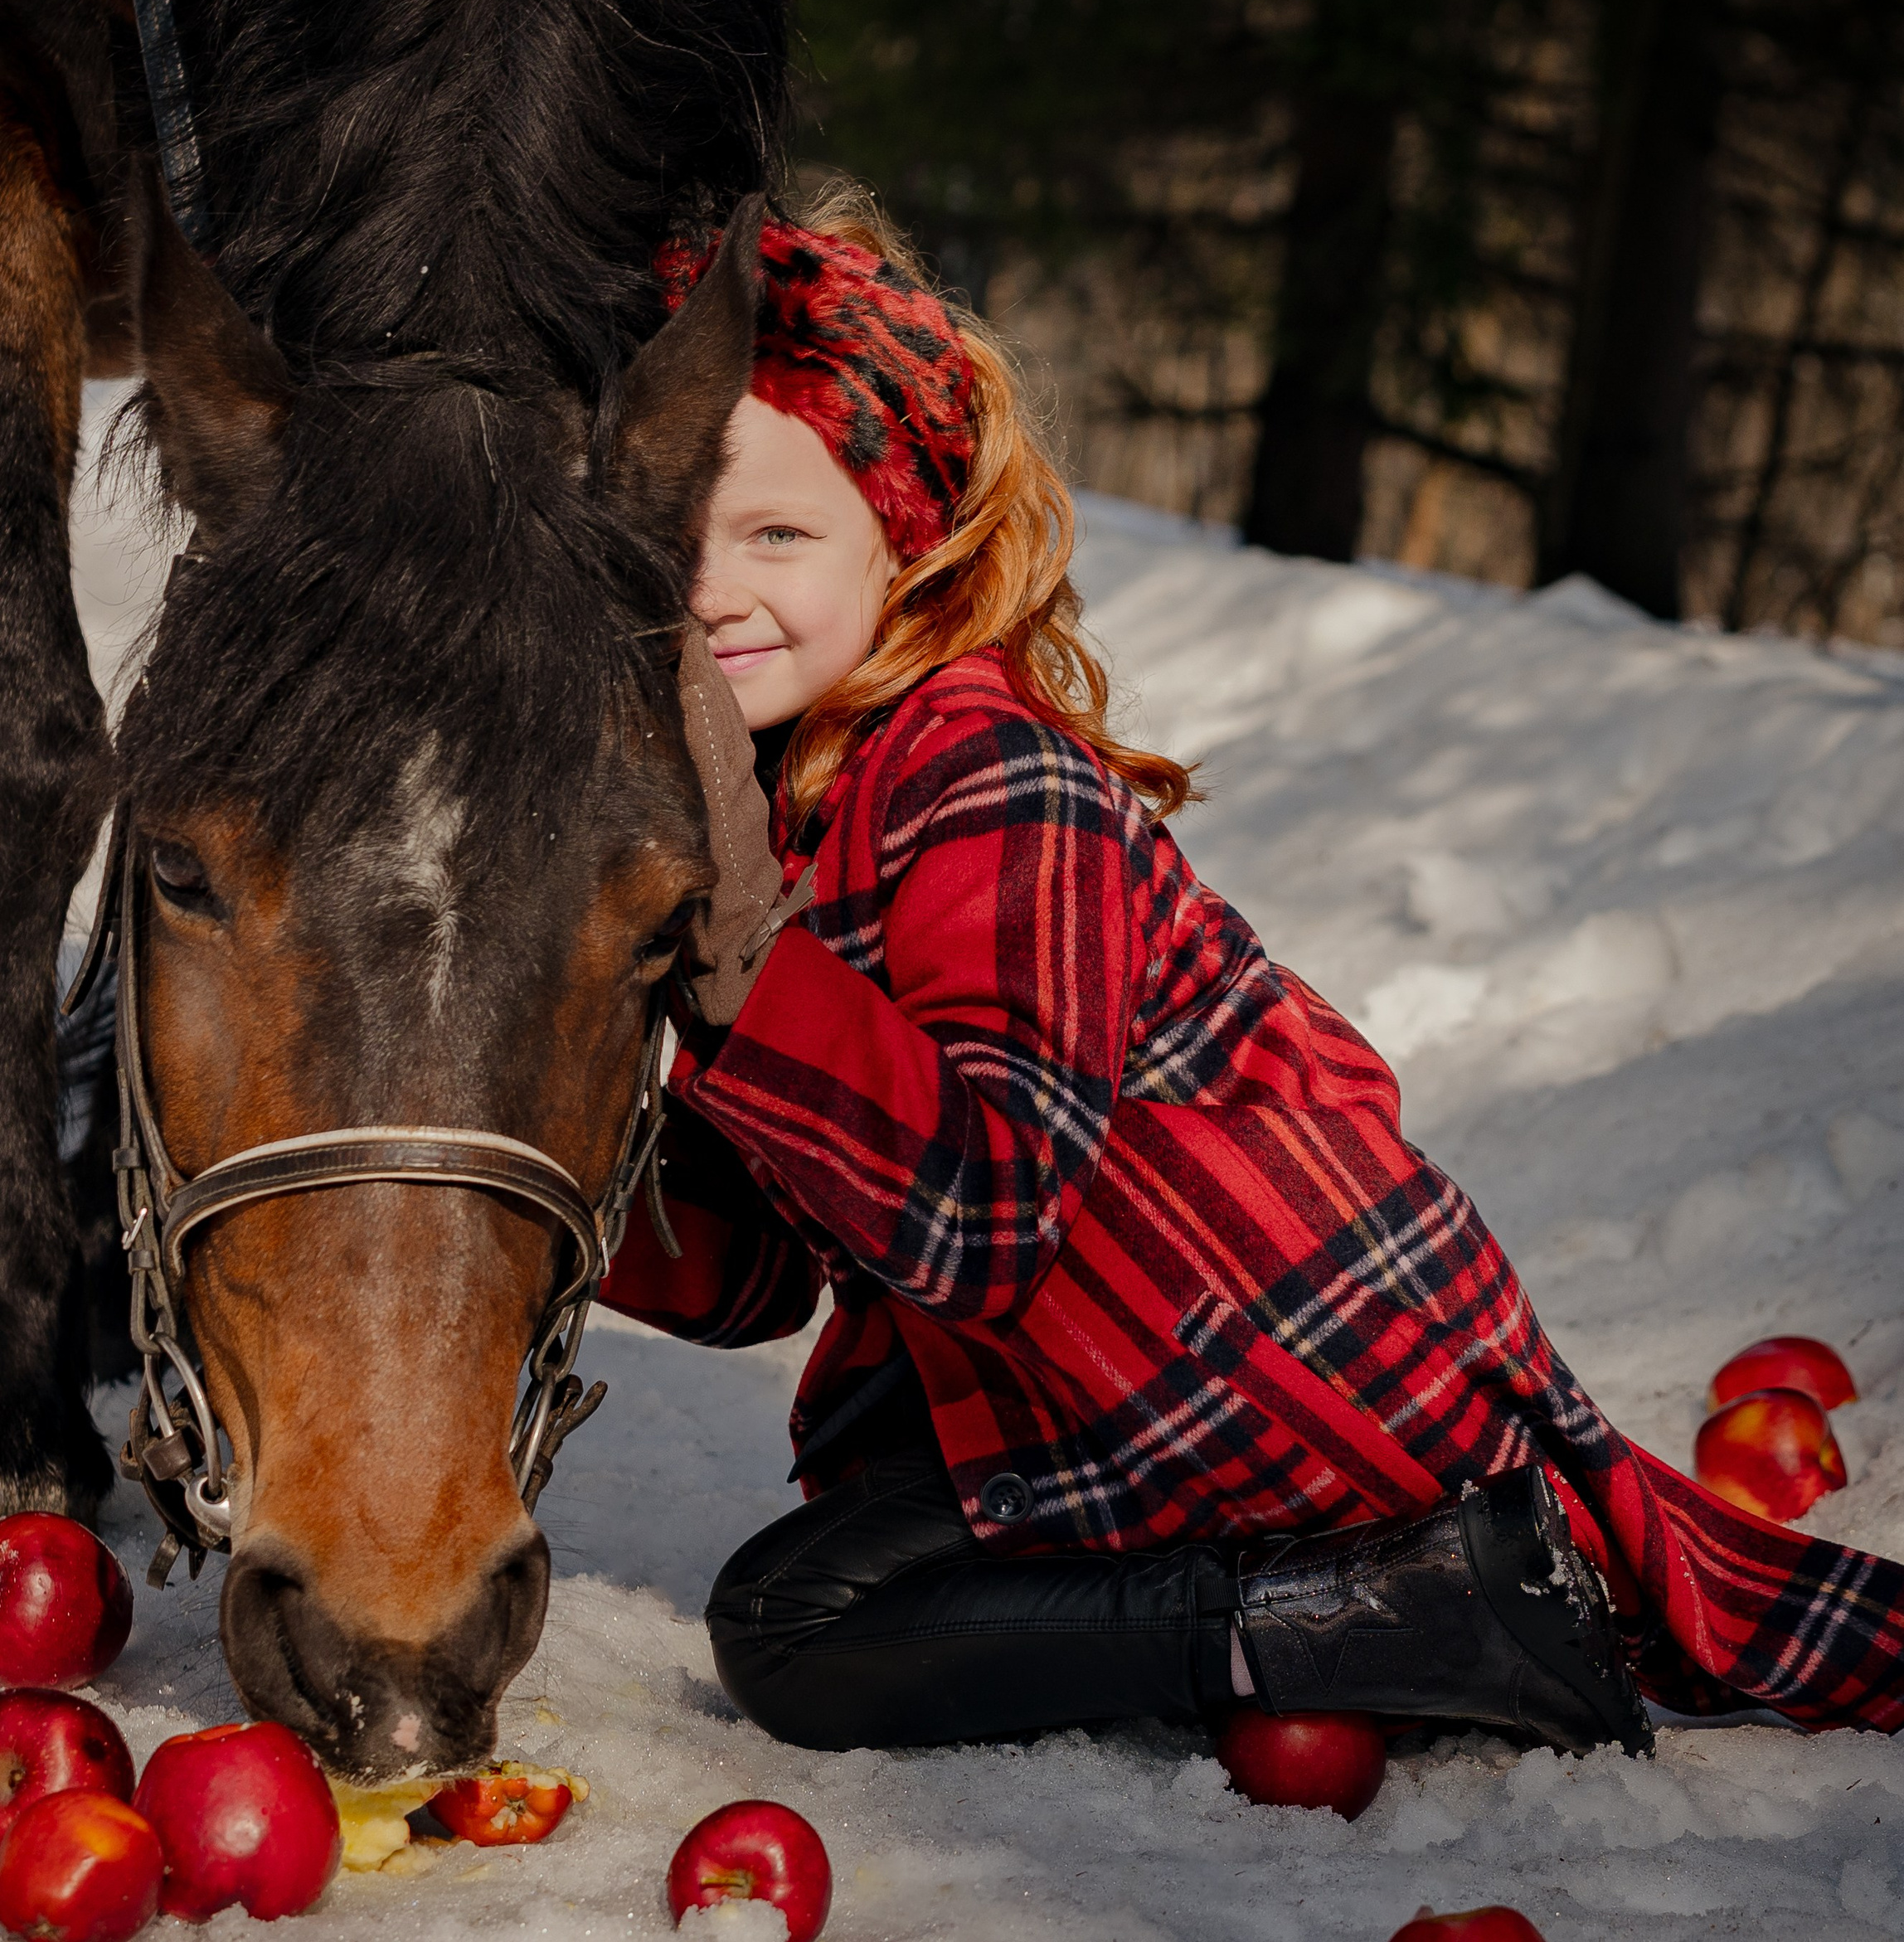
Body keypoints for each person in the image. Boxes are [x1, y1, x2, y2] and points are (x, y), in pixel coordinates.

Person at [598, 191, 1904, 1756]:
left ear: (914, 541)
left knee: (797, 1634)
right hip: (1116, 1386)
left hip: (1278, 1348)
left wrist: (744, 954)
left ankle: (1405, 1605)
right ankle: (1390, 1599)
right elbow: (771, 1269)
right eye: (668, 537)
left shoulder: (982, 773)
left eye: (779, 533)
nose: (713, 588)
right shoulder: (776, 801)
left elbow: (987, 1218)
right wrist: (568, 1135)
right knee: (822, 1597)